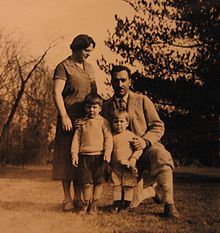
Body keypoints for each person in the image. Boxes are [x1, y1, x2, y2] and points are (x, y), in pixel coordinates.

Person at [102, 65, 179, 218]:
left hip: (145, 150)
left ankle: (169, 204)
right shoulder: (105, 106)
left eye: (123, 80)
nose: (120, 84)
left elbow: (158, 126)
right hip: (122, 159)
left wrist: (145, 141)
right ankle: (151, 191)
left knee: (161, 155)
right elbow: (101, 129)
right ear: (111, 81)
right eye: (116, 80)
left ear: (129, 81)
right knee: (131, 204)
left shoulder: (142, 100)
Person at [52, 34, 97, 212]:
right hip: (68, 119)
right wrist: (64, 116)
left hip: (86, 119)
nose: (89, 54)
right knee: (65, 158)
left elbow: (94, 94)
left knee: (81, 158)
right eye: (87, 50)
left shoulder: (90, 68)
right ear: (77, 48)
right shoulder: (63, 67)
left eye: (91, 51)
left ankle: (79, 198)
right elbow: (56, 93)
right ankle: (67, 198)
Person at [71, 93, 113, 214]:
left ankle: (94, 204)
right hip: (84, 157)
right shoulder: (82, 123)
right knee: (86, 182)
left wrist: (107, 153)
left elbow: (108, 138)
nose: (91, 110)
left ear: (100, 108)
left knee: (98, 182)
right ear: (85, 108)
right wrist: (74, 155)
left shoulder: (103, 122)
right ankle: (86, 203)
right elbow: (76, 140)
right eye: (88, 107)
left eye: (94, 107)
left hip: (99, 156)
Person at [109, 110, 143, 213]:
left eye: (121, 121)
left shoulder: (130, 135)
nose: (118, 124)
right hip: (115, 168)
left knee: (128, 186)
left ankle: (126, 205)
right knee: (117, 186)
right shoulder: (111, 136)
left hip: (128, 167)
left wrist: (133, 159)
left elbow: (139, 149)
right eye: (115, 122)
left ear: (127, 123)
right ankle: (117, 204)